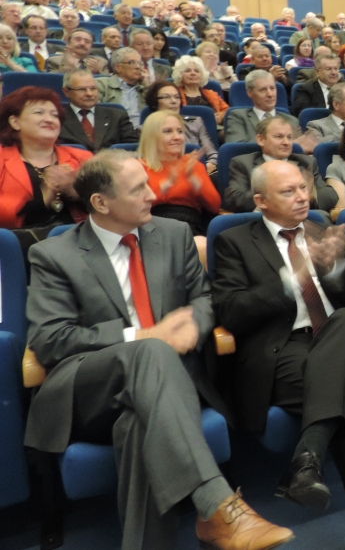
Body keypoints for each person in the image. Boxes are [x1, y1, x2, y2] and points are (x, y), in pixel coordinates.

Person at [25, 149, 293, 549]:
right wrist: (143, 335)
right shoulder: (53, 255)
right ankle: (218, 505)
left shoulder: (173, 234)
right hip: (89, 391)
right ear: (101, 202)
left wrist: (193, 325)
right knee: (151, 349)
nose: (153, 195)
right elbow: (51, 340)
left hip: (164, 389)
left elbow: (204, 298)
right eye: (138, 189)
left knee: (137, 426)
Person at [212, 159, 345, 549]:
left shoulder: (321, 231)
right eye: (288, 192)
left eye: (303, 187)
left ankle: (307, 458)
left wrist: (334, 269)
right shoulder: (234, 241)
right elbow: (231, 312)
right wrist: (292, 280)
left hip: (337, 338)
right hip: (282, 349)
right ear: (261, 201)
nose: (302, 197)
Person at [0, 87, 91, 244]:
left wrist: (78, 193)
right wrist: (43, 196)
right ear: (15, 122)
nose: (49, 119)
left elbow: (110, 205)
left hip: (80, 243)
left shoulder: (82, 157)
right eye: (39, 113)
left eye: (54, 115)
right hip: (19, 245)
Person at [223, 116, 336, 214]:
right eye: (279, 137)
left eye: (289, 137)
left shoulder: (306, 162)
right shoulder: (243, 163)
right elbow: (234, 199)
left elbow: (330, 195)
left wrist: (308, 193)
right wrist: (276, 193)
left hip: (303, 218)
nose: (286, 142)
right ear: (260, 139)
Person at [137, 110, 220, 240]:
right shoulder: (138, 167)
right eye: (168, 131)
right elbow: (134, 207)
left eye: (180, 131)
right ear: (152, 136)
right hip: (150, 225)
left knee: (201, 245)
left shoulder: (193, 165)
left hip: (188, 226)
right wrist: (165, 186)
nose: (177, 137)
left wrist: (196, 184)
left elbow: (215, 207)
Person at [144, 80, 217, 174]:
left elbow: (213, 155)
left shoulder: (195, 122)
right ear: (155, 102)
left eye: (177, 97)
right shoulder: (145, 129)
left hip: (197, 172)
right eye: (166, 97)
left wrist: (207, 166)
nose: (173, 101)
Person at [60, 70, 139, 152]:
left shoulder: (117, 116)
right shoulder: (58, 118)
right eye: (82, 89)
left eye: (93, 88)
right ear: (66, 92)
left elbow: (133, 148)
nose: (89, 94)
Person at [225, 70, 298, 143]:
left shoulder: (292, 121)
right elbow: (237, 147)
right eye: (263, 90)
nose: (270, 94)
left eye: (272, 88)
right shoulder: (238, 117)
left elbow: (299, 147)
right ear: (249, 92)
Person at [95, 47, 147, 128]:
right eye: (131, 62)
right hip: (113, 130)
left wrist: (147, 86)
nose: (138, 67)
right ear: (118, 67)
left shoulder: (144, 88)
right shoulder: (101, 84)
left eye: (140, 63)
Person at [173, 55, 230, 125]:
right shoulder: (174, 95)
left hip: (212, 128)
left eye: (197, 71)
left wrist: (221, 116)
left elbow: (228, 111)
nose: (193, 73)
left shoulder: (212, 94)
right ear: (179, 75)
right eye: (187, 71)